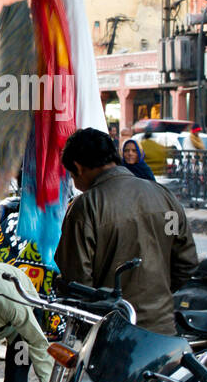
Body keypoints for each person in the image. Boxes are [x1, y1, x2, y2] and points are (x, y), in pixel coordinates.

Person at [57, 128, 197, 335]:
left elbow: (77, 280)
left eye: (71, 175)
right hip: (162, 330)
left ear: (78, 167)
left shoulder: (86, 206)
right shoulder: (164, 196)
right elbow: (187, 262)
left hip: (112, 332)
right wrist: (156, 296)